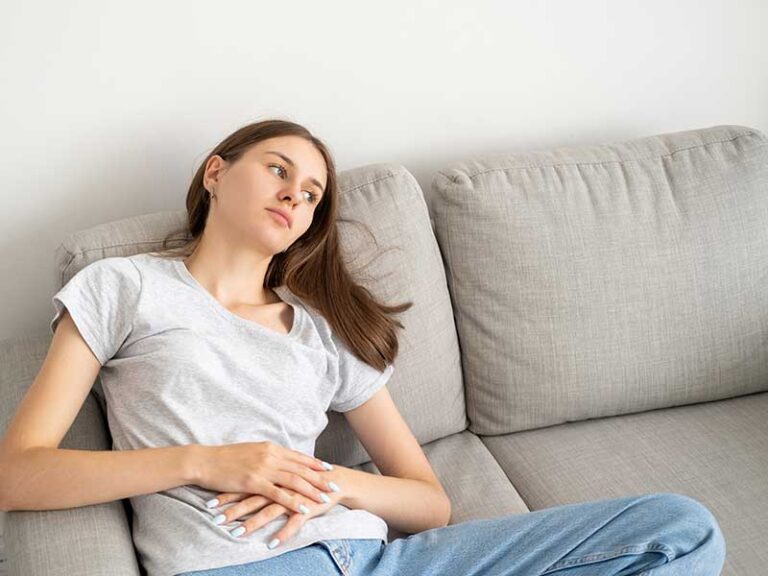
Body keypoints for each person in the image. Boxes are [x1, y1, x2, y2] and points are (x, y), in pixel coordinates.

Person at [0, 119, 726, 576]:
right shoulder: (124, 287)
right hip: (239, 564)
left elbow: (429, 504)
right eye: (279, 169)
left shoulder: (321, 331)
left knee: (680, 530)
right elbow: (18, 476)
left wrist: (329, 484)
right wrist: (206, 462)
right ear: (216, 172)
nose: (295, 194)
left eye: (312, 192)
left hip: (389, 558)